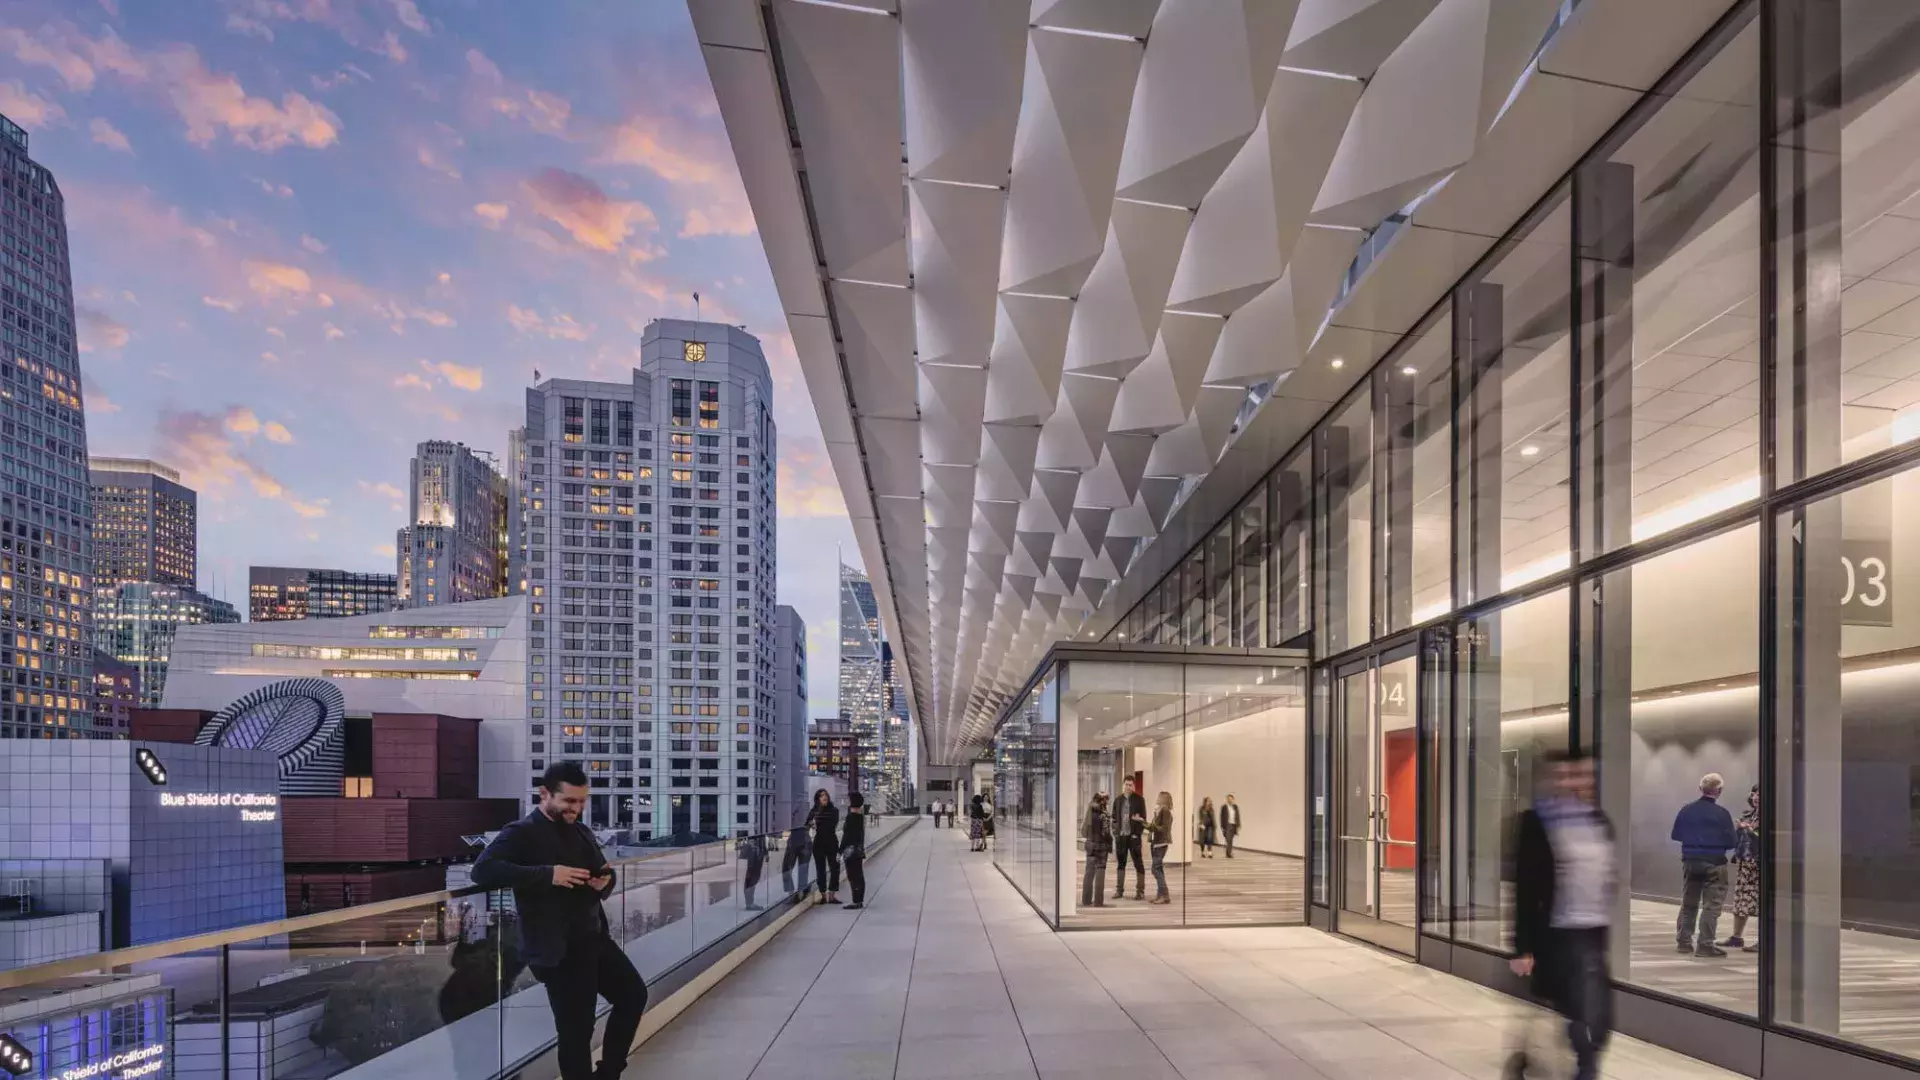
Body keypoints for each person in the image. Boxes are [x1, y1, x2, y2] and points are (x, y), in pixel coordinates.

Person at [472, 762, 648, 1080]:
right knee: (577, 1031)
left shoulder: (580, 831)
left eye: (581, 802)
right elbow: (482, 870)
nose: (576, 809)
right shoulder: (521, 832)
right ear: (545, 794)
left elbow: (604, 872)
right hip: (557, 950)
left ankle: (608, 1073)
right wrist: (549, 874)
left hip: (593, 939)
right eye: (569, 801)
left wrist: (604, 881)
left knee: (633, 995)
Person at [1509, 750, 1615, 1080]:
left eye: (1581, 775)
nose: (1574, 782)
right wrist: (1522, 947)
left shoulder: (1598, 820)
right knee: (1583, 1015)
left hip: (1593, 933)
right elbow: (1525, 889)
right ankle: (1582, 1071)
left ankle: (1559, 1063)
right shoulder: (1538, 822)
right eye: (1566, 776)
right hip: (1560, 934)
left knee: (1601, 1020)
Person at [1671, 772, 1737, 958]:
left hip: (1691, 861)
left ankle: (1684, 942)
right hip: (1715, 863)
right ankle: (1705, 945)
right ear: (1719, 791)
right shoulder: (1723, 814)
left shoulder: (1687, 810)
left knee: (1689, 903)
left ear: (1701, 789)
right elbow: (1732, 842)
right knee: (1711, 906)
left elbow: (1675, 835)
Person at [1721, 785, 1760, 953]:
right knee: (1741, 899)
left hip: (1761, 865)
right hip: (1745, 864)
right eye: (1754, 793)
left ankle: (1764, 939)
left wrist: (1751, 831)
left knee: (1761, 902)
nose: (1756, 797)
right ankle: (1736, 937)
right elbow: (1737, 841)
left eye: (1760, 794)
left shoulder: (1773, 817)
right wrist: (1738, 830)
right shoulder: (1748, 815)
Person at [1112, 779, 1147, 901]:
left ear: (1133, 786)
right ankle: (1119, 890)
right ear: (1123, 785)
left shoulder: (1139, 800)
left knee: (1138, 863)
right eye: (1126, 784)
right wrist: (1116, 833)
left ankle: (1140, 891)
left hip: (1134, 837)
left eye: (1130, 785)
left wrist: (1137, 834)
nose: (1128, 787)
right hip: (1121, 837)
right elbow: (1114, 819)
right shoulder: (1118, 800)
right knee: (1121, 864)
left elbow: (1143, 819)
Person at [808, 789, 841, 904]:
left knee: (835, 869)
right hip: (819, 843)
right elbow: (807, 823)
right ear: (818, 799)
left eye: (826, 795)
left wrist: (818, 819)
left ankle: (832, 895)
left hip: (832, 842)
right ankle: (823, 895)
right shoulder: (813, 811)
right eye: (821, 796)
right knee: (820, 870)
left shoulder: (834, 810)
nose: (824, 797)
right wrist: (812, 824)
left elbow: (833, 824)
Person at [1081, 793, 1112, 909]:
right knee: (1100, 872)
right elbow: (1106, 833)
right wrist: (1110, 841)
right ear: (1103, 801)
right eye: (1107, 801)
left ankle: (1086, 900)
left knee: (1088, 873)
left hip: (1090, 845)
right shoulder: (1104, 815)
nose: (1108, 803)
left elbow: (1083, 832)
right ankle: (1098, 902)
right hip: (1101, 847)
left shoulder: (1089, 811)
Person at [841, 792, 868, 909]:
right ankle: (859, 900)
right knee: (859, 875)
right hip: (858, 850)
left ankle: (855, 901)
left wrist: (840, 850)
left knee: (853, 876)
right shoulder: (860, 817)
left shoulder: (851, 817)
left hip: (850, 851)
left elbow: (846, 836)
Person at [1148, 791, 1174, 905]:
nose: (1157, 798)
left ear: (1164, 799)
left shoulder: (1165, 811)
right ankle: (1160, 895)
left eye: (1159, 797)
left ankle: (1165, 895)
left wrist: (1151, 825)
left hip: (1161, 844)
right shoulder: (1159, 811)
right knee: (1158, 869)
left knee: (1155, 869)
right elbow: (1154, 827)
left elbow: (1163, 829)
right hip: (1156, 843)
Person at [780, 812, 812, 893]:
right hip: (802, 841)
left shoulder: (794, 810)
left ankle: (795, 893)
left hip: (799, 841)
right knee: (801, 869)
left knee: (789, 869)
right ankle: (798, 892)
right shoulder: (804, 809)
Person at [739, 832, 766, 911]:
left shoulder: (760, 842)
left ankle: (750, 903)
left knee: (752, 881)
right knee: (750, 881)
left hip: (756, 858)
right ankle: (749, 904)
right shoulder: (751, 844)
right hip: (753, 860)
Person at [1221, 795, 1242, 859]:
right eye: (1229, 799)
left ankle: (1228, 853)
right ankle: (1229, 853)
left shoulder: (1235, 807)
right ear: (1227, 799)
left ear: (1233, 799)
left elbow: (1238, 816)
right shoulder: (1224, 807)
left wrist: (1238, 825)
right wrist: (1222, 826)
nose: (1230, 800)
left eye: (1231, 799)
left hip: (1234, 825)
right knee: (1228, 839)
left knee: (1231, 840)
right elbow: (1221, 817)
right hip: (1227, 825)